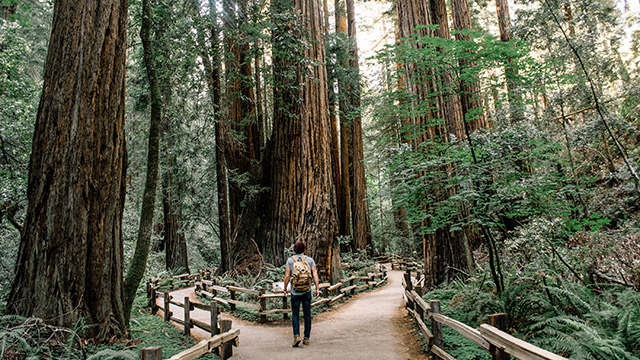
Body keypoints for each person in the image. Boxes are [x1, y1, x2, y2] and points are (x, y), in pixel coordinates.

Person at [284, 241, 320, 347]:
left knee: (295, 314)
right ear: (304, 249)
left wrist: (285, 289)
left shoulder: (290, 260)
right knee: (307, 314)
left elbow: (287, 276)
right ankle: (306, 338)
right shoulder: (309, 260)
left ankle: (296, 335)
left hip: (295, 292)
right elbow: (315, 274)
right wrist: (317, 288)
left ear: (294, 249)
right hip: (306, 291)